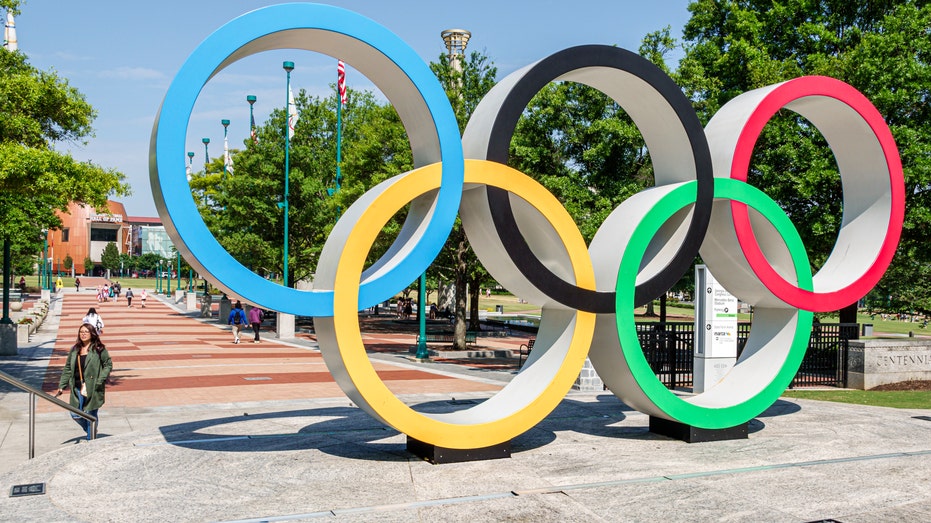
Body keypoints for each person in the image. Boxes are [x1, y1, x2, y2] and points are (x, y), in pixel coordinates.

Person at [56, 323, 112, 441]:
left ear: (92, 334)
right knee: (75, 414)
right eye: (81, 332)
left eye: (86, 332)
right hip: (77, 387)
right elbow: (67, 368)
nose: (83, 334)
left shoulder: (99, 349)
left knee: (90, 414)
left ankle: (90, 440)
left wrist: (100, 380)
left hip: (93, 388)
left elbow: (108, 365)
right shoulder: (75, 349)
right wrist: (62, 385)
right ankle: (91, 431)